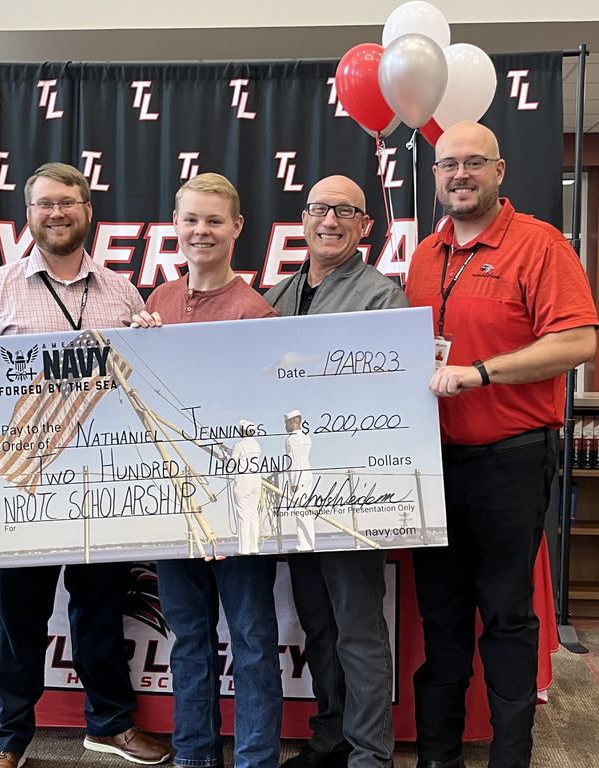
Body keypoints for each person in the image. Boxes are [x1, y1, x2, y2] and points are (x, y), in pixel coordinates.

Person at [0, 162, 172, 768]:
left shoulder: (124, 293)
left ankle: (110, 724)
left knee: (100, 612)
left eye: (68, 202)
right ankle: (8, 738)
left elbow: (144, 389)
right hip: (24, 484)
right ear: (29, 214)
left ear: (87, 211)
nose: (57, 213)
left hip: (104, 487)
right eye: (45, 203)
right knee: (18, 620)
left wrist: (152, 345)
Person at [404, 121, 599, 768]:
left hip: (510, 460)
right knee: (442, 619)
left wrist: (482, 373)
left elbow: (578, 342)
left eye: (473, 163)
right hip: (433, 466)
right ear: (434, 176)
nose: (459, 175)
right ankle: (438, 756)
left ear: (500, 170)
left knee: (508, 619)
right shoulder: (425, 255)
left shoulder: (539, 245)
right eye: (447, 164)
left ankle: (511, 757)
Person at [131, 172, 282, 768]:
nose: (201, 231)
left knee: (250, 643)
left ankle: (254, 759)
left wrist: (224, 514)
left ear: (237, 228)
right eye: (191, 219)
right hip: (174, 509)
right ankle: (195, 756)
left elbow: (264, 426)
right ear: (175, 225)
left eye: (214, 220)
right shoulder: (157, 303)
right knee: (188, 640)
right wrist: (132, 347)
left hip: (238, 513)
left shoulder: (256, 313)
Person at [263, 175, 407, 768]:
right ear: (303, 218)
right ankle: (331, 738)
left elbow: (385, 398)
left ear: (364, 226)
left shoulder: (381, 297)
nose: (329, 220)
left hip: (351, 494)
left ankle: (370, 754)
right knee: (318, 623)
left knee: (358, 628)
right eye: (320, 209)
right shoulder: (275, 294)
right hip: (290, 490)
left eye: (345, 211)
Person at [283, 409, 315, 551]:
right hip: (307, 473)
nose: (285, 426)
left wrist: (294, 483)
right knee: (305, 511)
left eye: (286, 423)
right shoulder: (306, 436)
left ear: (293, 422)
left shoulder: (292, 439)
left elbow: (294, 461)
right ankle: (307, 543)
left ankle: (305, 544)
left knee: (300, 511)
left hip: (299, 477)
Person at [232, 419, 265, 555]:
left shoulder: (239, 445)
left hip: (243, 482)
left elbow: (232, 463)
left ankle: (243, 549)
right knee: (253, 515)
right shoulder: (256, 444)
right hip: (256, 481)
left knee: (243, 516)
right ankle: (254, 547)